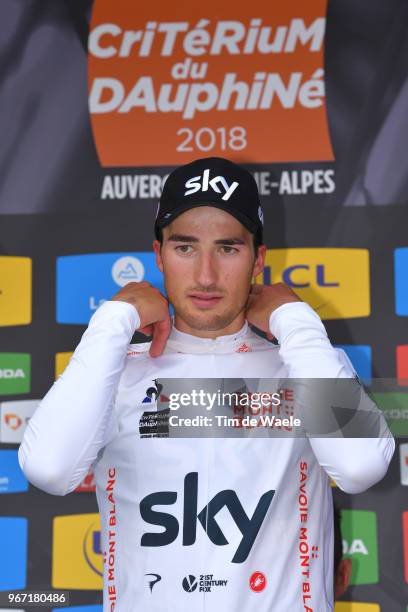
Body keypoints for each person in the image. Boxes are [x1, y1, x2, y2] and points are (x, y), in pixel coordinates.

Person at [18, 157, 394, 611]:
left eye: (229, 248)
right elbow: (49, 469)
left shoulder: (300, 366)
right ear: (158, 255)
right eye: (185, 248)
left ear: (259, 259)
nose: (206, 276)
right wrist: (113, 320)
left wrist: (295, 320)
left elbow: (360, 466)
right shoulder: (117, 372)